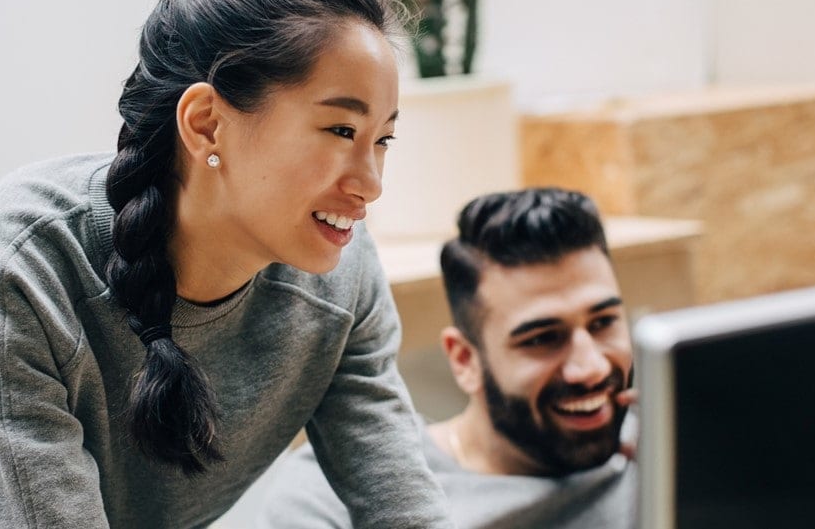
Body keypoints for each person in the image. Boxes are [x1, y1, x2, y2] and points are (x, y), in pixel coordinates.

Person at [0, 0, 452, 529]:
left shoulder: (346, 277)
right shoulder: (19, 262)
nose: (371, 186)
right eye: (341, 130)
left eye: (383, 140)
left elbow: (400, 499)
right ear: (207, 122)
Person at [256, 188, 639, 529]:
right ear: (465, 360)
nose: (592, 367)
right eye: (542, 339)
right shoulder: (334, 492)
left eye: (603, 322)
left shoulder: (660, 455)